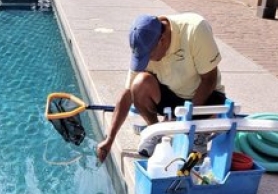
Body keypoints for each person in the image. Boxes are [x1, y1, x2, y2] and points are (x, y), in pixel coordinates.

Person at [96, 13, 226, 163]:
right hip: (173, 96)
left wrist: (183, 118)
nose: (147, 61)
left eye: (149, 56)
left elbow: (209, 80)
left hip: (206, 97)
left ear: (162, 40)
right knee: (138, 84)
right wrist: (109, 139)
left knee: (204, 115)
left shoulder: (195, 29)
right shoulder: (146, 41)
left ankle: (198, 134)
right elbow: (127, 94)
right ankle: (157, 131)